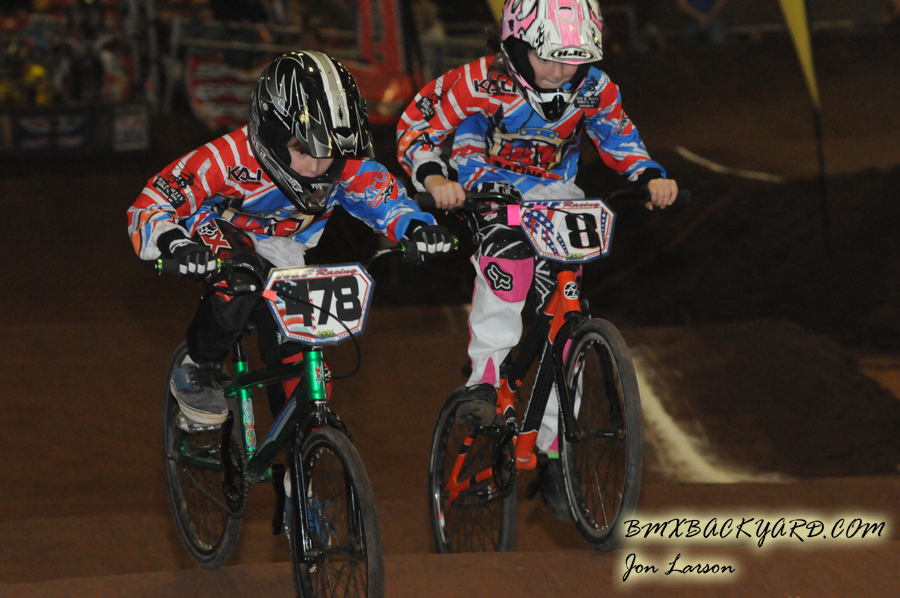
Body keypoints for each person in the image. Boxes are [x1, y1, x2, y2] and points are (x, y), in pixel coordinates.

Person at [397, 0, 677, 518]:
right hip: (486, 189)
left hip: (555, 196)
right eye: (548, 58)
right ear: (515, 43)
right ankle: (484, 380)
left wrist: (647, 174)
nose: (560, 72)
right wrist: (435, 178)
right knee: (508, 266)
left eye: (574, 60)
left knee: (564, 320)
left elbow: (617, 133)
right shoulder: (478, 81)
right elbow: (417, 125)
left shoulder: (594, 87)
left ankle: (554, 455)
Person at [129, 51, 454, 426]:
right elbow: (152, 203)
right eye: (303, 149)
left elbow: (386, 200)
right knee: (241, 278)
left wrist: (417, 228)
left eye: (329, 151)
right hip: (217, 227)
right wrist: (177, 244)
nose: (317, 166)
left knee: (298, 351)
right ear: (271, 134)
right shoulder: (224, 158)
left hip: (284, 246)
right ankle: (198, 363)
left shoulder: (346, 164)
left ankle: (298, 444)